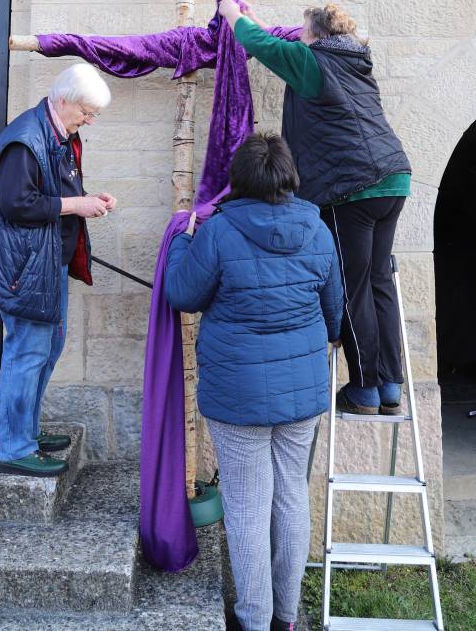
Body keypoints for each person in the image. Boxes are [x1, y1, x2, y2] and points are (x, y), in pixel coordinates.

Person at [165, 134, 342, 631]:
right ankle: (285, 616)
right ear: (289, 176)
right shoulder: (318, 228)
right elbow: (334, 314)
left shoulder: (219, 232)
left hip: (237, 394)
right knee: (291, 497)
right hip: (302, 391)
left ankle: (254, 619)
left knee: (247, 506)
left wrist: (181, 240)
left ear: (238, 180)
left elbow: (182, 293)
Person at [218, 0, 411, 417]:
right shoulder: (354, 61)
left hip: (351, 188)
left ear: (316, 35)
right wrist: (256, 20)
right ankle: (390, 385)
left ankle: (364, 389)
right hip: (393, 177)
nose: (298, 37)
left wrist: (231, 14)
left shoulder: (312, 62)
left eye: (303, 31)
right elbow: (277, 43)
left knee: (352, 285)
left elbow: (263, 45)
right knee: (378, 279)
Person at [0, 63, 117, 477]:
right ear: (64, 100)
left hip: (46, 264)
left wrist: (89, 199)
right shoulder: (25, 139)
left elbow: (54, 192)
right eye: (86, 112)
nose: (89, 121)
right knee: (27, 352)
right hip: (25, 269)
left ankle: (24, 431)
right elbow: (16, 204)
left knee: (46, 350)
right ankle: (15, 447)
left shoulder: (57, 133)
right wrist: (76, 205)